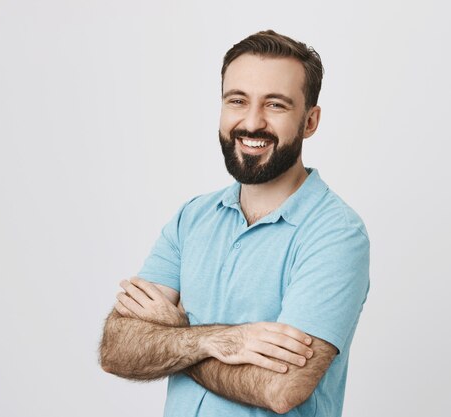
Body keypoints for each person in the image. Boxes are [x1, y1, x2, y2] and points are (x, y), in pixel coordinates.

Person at [99, 30, 370, 417]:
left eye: (275, 105)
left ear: (309, 121)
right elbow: (117, 349)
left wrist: (176, 336)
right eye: (237, 101)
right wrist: (218, 340)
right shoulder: (191, 218)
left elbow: (281, 388)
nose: (252, 122)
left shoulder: (336, 235)